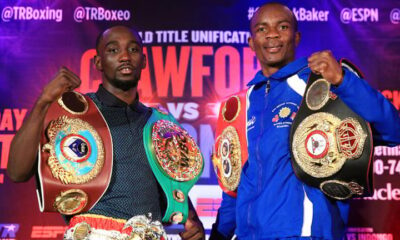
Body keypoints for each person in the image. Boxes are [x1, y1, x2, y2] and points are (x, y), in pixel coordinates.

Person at [210, 2, 400, 240]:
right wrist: (219, 234)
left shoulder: (323, 84)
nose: (272, 34)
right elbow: (234, 189)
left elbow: (393, 131)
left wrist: (343, 81)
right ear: (251, 42)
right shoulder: (240, 105)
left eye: (282, 26)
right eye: (261, 29)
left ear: (296, 36)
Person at [7, 25, 205, 240]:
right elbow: (17, 172)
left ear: (144, 61)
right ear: (98, 62)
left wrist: (193, 223)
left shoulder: (160, 123)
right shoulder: (76, 113)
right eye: (113, 50)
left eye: (133, 50)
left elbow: (174, 185)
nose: (124, 57)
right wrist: (44, 101)